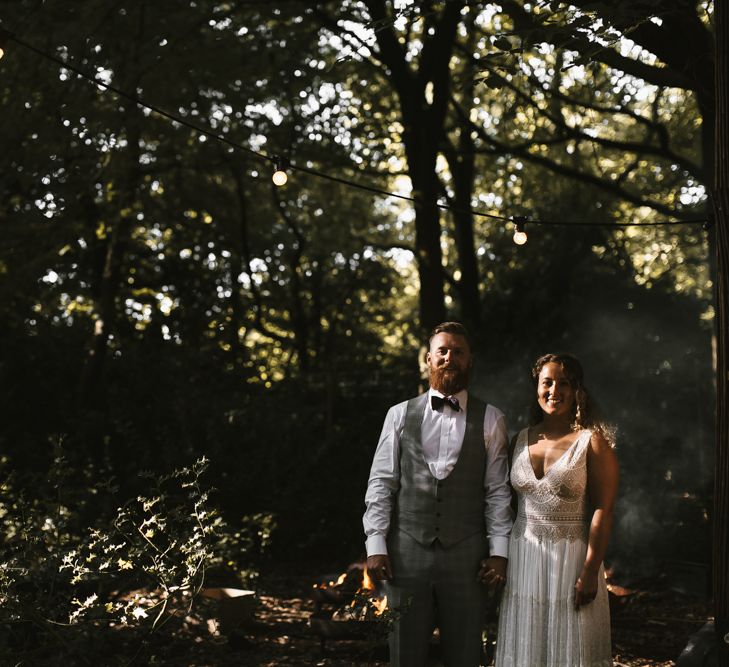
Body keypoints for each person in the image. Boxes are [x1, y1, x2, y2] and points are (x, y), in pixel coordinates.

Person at [364, 321, 513, 667]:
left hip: (468, 558)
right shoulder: (398, 415)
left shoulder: (492, 419)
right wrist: (376, 544)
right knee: (403, 654)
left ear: (469, 360)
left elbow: (497, 492)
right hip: (405, 554)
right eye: (442, 351)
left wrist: (499, 553)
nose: (450, 358)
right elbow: (382, 482)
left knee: (464, 655)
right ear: (428, 359)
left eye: (458, 352)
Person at [494, 353, 619, 667]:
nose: (554, 390)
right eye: (547, 382)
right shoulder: (518, 440)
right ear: (536, 388)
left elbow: (604, 508)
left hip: (571, 560)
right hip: (523, 557)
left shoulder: (592, 441)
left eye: (564, 383)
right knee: (527, 651)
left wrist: (591, 573)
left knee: (571, 652)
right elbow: (504, 505)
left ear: (578, 390)